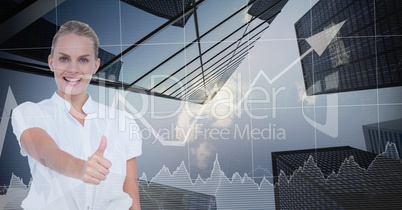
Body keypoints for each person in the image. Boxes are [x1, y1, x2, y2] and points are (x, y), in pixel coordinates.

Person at [11, 20, 142, 210]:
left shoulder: (123, 120)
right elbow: (46, 152)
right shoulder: (29, 112)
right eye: (64, 58)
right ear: (51, 62)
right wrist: (80, 168)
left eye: (83, 60)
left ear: (95, 65)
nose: (73, 69)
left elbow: (131, 198)